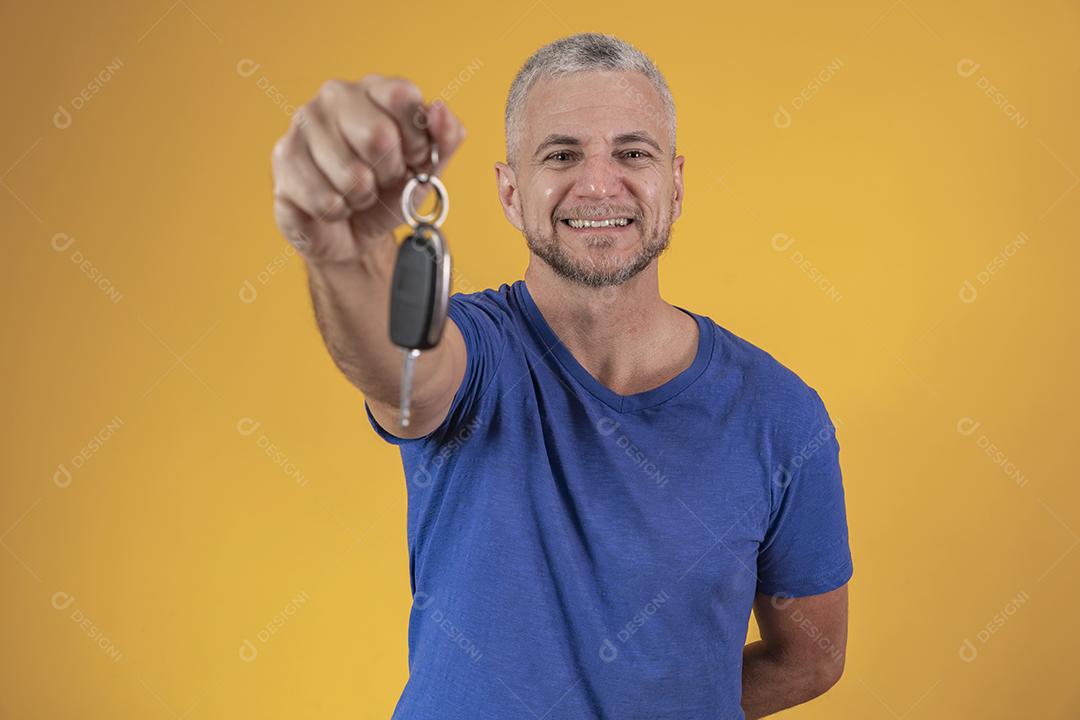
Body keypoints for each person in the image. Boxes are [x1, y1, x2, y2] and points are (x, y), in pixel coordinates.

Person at [270, 31, 853, 720]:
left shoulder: (781, 414)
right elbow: (405, 372)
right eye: (562, 154)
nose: (600, 183)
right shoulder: (475, 352)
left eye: (633, 152)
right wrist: (342, 256)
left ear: (675, 183)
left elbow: (810, 657)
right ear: (511, 193)